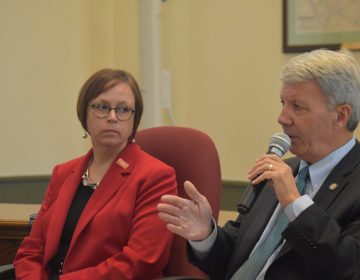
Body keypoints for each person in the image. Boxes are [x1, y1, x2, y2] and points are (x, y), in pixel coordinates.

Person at [157, 49, 360, 280]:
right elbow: (234, 258)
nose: (282, 117)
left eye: (298, 107)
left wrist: (295, 204)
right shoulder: (281, 170)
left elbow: (351, 267)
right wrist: (206, 235)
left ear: (341, 116)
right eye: (283, 103)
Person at [14, 69, 177, 279]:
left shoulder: (156, 177)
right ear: (84, 113)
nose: (112, 117)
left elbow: (141, 261)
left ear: (134, 119)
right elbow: (32, 249)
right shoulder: (63, 173)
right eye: (101, 107)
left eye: (124, 109)